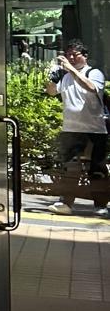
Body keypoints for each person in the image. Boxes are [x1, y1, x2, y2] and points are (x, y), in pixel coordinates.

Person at [46, 40, 109, 215]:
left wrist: (71, 70)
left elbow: (91, 88)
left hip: (94, 130)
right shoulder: (65, 76)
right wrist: (51, 79)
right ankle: (66, 203)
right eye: (68, 55)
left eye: (75, 55)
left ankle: (101, 205)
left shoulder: (93, 73)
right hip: (70, 129)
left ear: (85, 56)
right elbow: (52, 92)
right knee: (69, 168)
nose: (71, 58)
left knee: (96, 169)